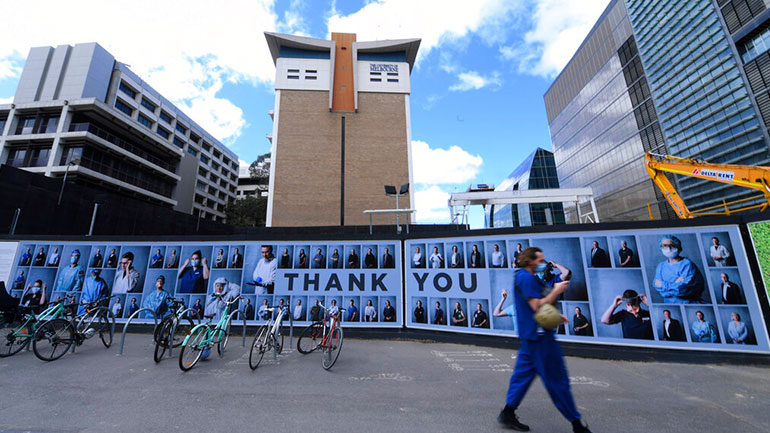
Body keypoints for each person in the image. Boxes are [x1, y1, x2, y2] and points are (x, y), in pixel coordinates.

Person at [497, 246, 590, 432]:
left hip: (532, 336)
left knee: (522, 377)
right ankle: (577, 425)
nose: (543, 264)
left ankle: (507, 413)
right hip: (540, 339)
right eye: (540, 260)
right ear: (529, 261)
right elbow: (536, 305)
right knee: (557, 380)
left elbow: (538, 306)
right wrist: (556, 291)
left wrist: (555, 316)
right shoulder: (526, 278)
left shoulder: (524, 277)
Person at [652, 235, 705, 303]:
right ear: (661, 247)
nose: (668, 249)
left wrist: (663, 285)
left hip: (688, 303)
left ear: (678, 247)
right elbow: (657, 287)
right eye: (665, 245)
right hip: (669, 304)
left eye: (672, 245)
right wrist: (675, 284)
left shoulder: (687, 264)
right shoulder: (661, 266)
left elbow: (682, 289)